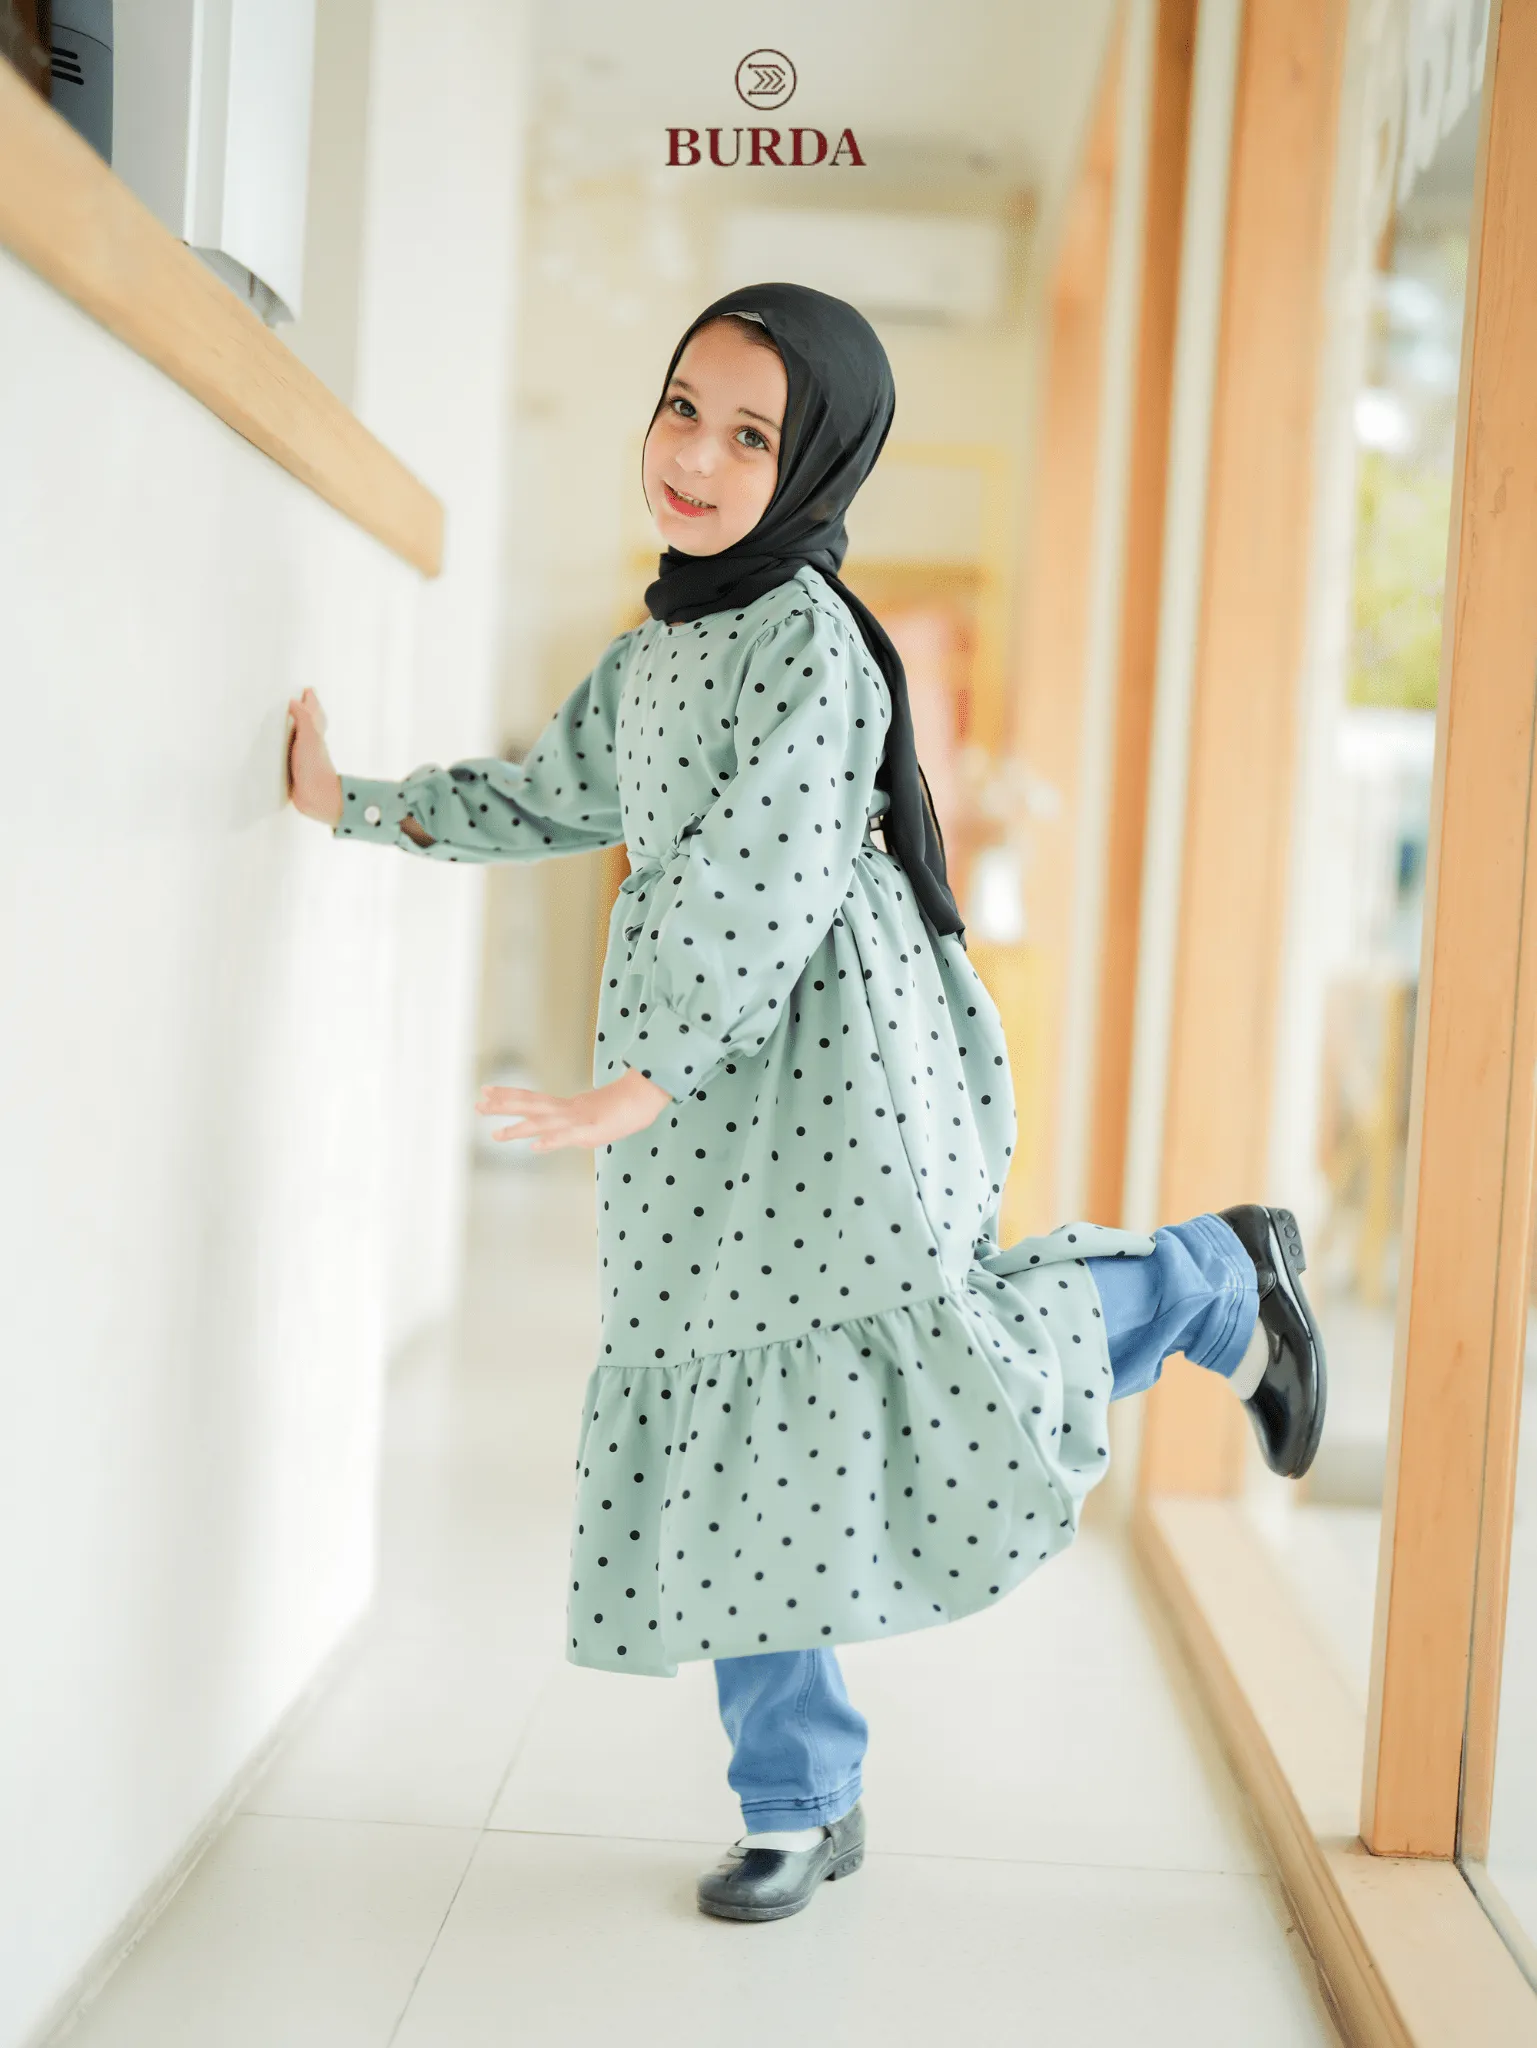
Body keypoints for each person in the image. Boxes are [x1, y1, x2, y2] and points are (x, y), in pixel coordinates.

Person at [287, 283, 1326, 1925]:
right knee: (746, 1434)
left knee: (934, 1357)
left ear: (821, 457)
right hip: (700, 1115)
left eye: (751, 431)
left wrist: (641, 1073)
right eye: (682, 405)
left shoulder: (812, 644)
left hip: (830, 1079)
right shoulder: (653, 658)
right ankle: (798, 1802)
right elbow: (549, 795)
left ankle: (1208, 1279)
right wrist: (359, 805)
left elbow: (766, 879)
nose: (697, 453)